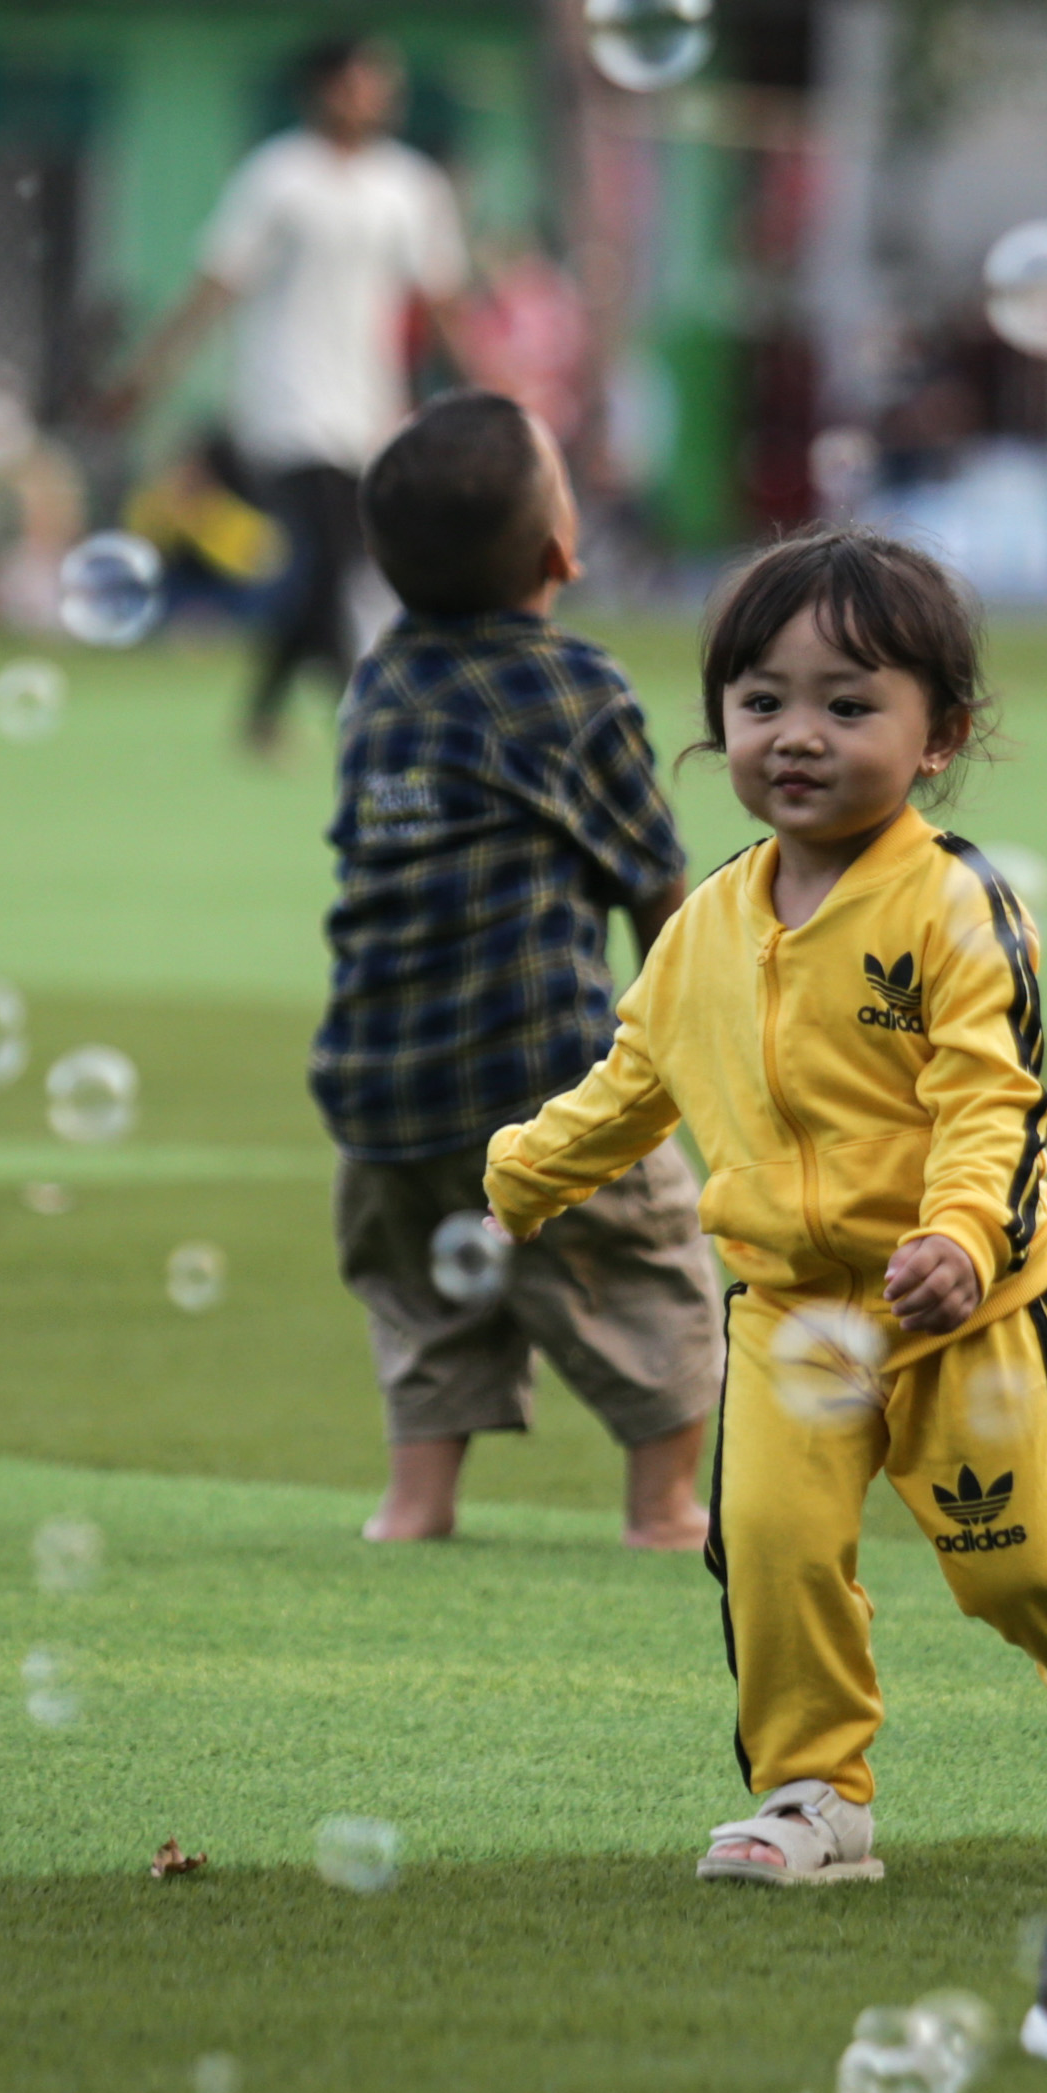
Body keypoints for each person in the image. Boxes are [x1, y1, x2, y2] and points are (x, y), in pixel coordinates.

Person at [486, 526, 1047, 1882]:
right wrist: (526, 1168)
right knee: (768, 1549)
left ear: (942, 735)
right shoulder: (706, 920)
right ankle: (812, 1792)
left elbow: (991, 1095)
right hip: (786, 1310)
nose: (797, 735)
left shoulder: (954, 904)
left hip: (970, 1305)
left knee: (1024, 1569)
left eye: (849, 703)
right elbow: (642, 1072)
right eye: (762, 702)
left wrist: (959, 1232)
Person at [314, 389, 718, 1549]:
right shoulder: (574, 689)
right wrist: (693, 1039)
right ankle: (662, 1503)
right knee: (645, 1268)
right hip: (533, 1076)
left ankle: (416, 1501)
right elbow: (653, 880)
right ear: (560, 547)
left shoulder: (375, 684)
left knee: (424, 1291)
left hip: (379, 1082)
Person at [97, 34, 468, 756]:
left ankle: (262, 714)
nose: (378, 94)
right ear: (323, 88)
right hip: (287, 401)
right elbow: (216, 286)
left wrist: (492, 383)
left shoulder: (411, 186)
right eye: (363, 79)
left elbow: (443, 298)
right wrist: (148, 374)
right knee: (330, 556)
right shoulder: (277, 177)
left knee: (335, 568)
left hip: (371, 405)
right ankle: (368, 717)